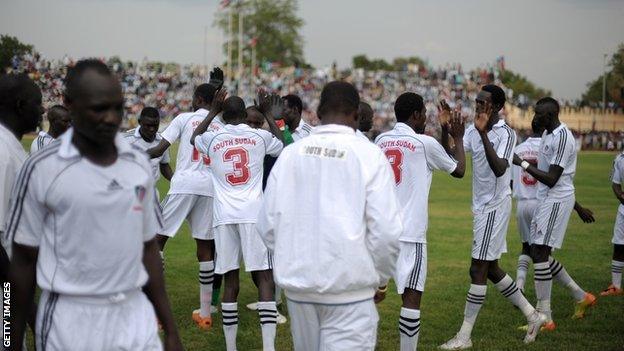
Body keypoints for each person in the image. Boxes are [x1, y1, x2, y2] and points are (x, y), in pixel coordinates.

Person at [5, 59, 182, 351]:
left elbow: (148, 249)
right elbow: (21, 265)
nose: (111, 118)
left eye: (117, 107)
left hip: (134, 315)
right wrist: (9, 339)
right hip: (70, 320)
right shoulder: (41, 169)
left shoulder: (137, 163)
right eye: (99, 108)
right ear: (69, 104)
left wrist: (171, 330)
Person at [257, 81, 402, 351]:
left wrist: (296, 259)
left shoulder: (291, 154)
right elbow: (386, 232)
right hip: (350, 289)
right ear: (357, 115)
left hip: (300, 290)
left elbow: (267, 225)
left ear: (319, 113)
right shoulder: (369, 155)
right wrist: (380, 280)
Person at [440, 85, 546, 350]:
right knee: (492, 269)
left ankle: (464, 336)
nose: (478, 106)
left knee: (477, 268)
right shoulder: (477, 128)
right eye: (477, 102)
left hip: (494, 206)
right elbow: (452, 157)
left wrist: (482, 132)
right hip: (481, 207)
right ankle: (533, 316)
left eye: (484, 103)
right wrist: (449, 132)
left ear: (497, 107)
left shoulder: (506, 133)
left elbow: (500, 169)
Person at [191, 90, 284, 351]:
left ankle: (231, 347)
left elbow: (193, 138)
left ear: (223, 114)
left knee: (231, 279)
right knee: (264, 277)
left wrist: (211, 111)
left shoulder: (211, 138)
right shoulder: (259, 135)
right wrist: (267, 113)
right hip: (253, 214)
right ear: (245, 115)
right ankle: (268, 347)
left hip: (223, 216)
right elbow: (283, 146)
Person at [375, 94, 466, 351]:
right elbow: (458, 169)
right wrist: (457, 136)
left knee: (367, 295)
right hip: (410, 234)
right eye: (424, 114)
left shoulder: (380, 140)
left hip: (381, 232)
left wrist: (445, 129)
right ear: (415, 115)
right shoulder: (424, 143)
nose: (426, 118)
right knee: (411, 299)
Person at [513, 97, 597, 328]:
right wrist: (578, 208)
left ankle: (545, 317)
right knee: (539, 253)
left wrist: (521, 163)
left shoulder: (562, 137)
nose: (535, 116)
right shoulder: (548, 134)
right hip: (547, 199)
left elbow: (552, 179)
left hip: (555, 200)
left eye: (538, 113)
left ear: (549, 116)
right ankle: (581, 296)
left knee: (539, 252)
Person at [146, 79, 223, 330]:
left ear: (198, 100)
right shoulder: (220, 124)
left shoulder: (183, 118)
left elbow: (159, 150)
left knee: (157, 241)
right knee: (205, 250)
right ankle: (204, 314)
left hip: (185, 183)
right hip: (209, 188)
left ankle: (156, 314)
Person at [512, 119, 544, 293]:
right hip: (540, 204)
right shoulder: (546, 149)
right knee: (543, 252)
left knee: (526, 246)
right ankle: (542, 297)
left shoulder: (518, 149)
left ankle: (519, 285)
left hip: (522, 204)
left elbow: (511, 181)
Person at [124, 107, 173, 185]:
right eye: (148, 125)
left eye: (155, 125)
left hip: (151, 192)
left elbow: (164, 165)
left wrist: (176, 182)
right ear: (140, 122)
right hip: (129, 191)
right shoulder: (126, 140)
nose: (151, 129)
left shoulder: (162, 141)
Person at [603, 150, 624, 296]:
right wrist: (621, 196)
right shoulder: (620, 158)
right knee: (618, 245)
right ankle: (616, 286)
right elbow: (615, 184)